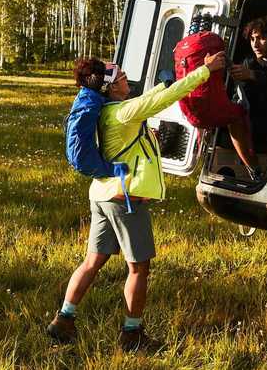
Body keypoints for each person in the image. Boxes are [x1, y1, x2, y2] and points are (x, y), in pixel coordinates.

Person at [47, 51, 226, 351]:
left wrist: (160, 85)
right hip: (124, 199)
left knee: (93, 261)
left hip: (103, 193)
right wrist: (204, 71)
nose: (125, 78)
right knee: (138, 268)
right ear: (110, 88)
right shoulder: (123, 112)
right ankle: (132, 335)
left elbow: (147, 102)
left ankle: (63, 320)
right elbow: (161, 101)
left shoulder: (108, 111)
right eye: (119, 77)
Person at [230, 16, 267, 156]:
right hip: (254, 131)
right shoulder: (248, 63)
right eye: (252, 39)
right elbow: (239, 98)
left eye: (261, 38)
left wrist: (253, 75)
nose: (255, 45)